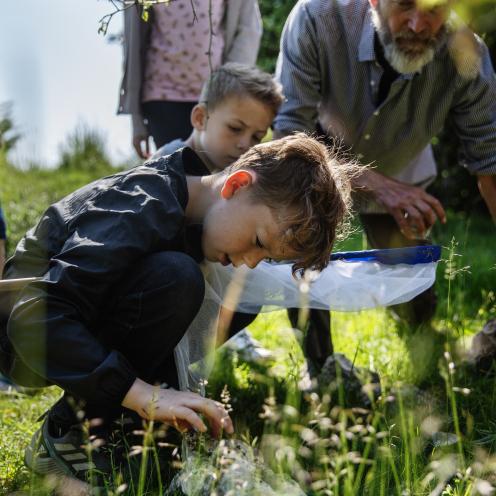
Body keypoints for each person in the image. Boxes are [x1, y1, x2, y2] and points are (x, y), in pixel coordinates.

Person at [0, 134, 355, 485]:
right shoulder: (141, 203)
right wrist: (143, 395)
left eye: (265, 256)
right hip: (25, 339)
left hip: (77, 324)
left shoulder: (200, 213)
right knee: (177, 276)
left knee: (240, 296)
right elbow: (33, 316)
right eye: (258, 242)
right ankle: (70, 429)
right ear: (237, 185)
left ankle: (130, 426)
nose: (250, 261)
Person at [274, 0, 496, 332]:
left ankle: (417, 328)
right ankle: (319, 358)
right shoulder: (317, 17)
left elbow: (489, 158)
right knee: (303, 249)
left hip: (400, 170)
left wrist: (388, 187)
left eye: (433, 10)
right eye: (405, 5)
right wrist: (379, 185)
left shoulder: (468, 55)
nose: (418, 25)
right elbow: (289, 136)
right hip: (314, 165)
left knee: (415, 302)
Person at [154, 62, 334, 372]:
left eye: (257, 136)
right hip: (163, 288)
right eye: (235, 129)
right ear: (200, 118)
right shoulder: (165, 166)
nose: (244, 144)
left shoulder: (246, 184)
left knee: (254, 292)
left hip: (206, 284)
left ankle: (320, 363)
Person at [118, 0, 262, 159]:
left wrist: (231, 90)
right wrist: (136, 120)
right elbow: (133, 40)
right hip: (162, 95)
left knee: (214, 169)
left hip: (216, 98)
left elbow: (248, 30)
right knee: (175, 168)